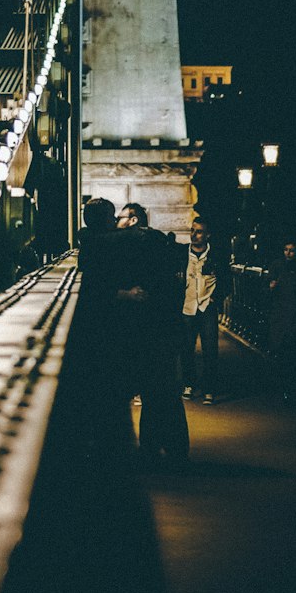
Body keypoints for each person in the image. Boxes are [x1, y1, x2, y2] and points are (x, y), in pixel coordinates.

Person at [85, 200, 188, 466]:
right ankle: (166, 447)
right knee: (160, 390)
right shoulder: (134, 242)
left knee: (128, 392)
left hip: (123, 333)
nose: (116, 220)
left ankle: (135, 450)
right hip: (149, 331)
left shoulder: (103, 245)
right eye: (113, 216)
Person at [180, 218, 230, 403]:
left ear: (207, 235)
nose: (194, 235)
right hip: (187, 306)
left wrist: (215, 298)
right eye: (192, 230)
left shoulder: (216, 256)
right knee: (186, 348)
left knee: (210, 349)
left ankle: (209, 388)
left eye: (199, 231)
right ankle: (189, 384)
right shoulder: (182, 254)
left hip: (206, 306)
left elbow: (225, 281)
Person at [268, 239, 296, 402]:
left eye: (291, 250)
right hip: (280, 314)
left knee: (291, 350)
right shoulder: (277, 266)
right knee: (280, 348)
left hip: (294, 315)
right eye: (286, 249)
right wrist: (271, 287)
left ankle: (289, 387)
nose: (288, 253)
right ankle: (281, 386)